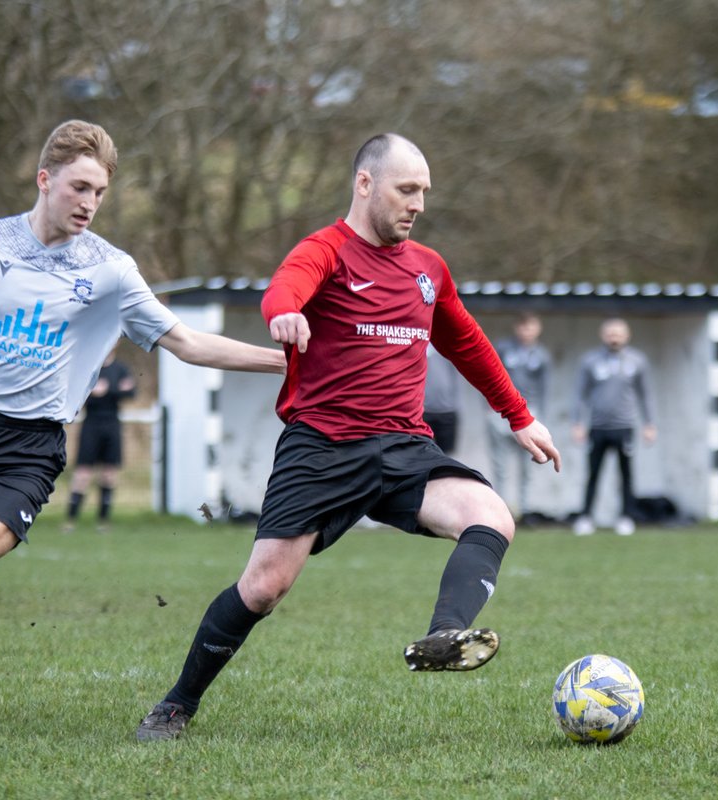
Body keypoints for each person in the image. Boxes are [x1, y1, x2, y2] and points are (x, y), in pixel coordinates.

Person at [0, 120, 287, 738]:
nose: (89, 203)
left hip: (26, 448)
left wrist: (288, 361)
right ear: (45, 180)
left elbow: (188, 342)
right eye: (79, 187)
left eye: (100, 192)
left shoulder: (113, 271)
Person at [135, 132, 561, 741]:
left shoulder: (428, 268)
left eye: (424, 193)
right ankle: (176, 704)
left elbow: (465, 341)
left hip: (403, 445)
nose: (417, 204)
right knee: (263, 587)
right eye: (405, 189)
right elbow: (286, 286)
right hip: (323, 447)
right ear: (365, 184)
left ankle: (443, 635)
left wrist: (519, 416)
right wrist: (284, 312)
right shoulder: (326, 250)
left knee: (491, 515)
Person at [571, 318, 655, 537]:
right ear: (602, 335)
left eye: (618, 333)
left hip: (625, 427)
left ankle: (626, 517)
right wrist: (578, 423)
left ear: (627, 336)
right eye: (610, 333)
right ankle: (586, 517)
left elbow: (645, 395)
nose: (614, 337)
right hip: (597, 427)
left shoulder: (637, 361)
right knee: (593, 473)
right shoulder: (590, 361)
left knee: (626, 475)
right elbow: (580, 395)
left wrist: (649, 423)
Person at [64, 349, 136, 532]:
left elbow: (132, 392)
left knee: (109, 474)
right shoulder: (90, 368)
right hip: (91, 425)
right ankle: (70, 520)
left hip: (112, 425)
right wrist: (115, 389)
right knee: (82, 474)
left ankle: (103, 521)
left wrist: (106, 390)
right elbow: (77, 394)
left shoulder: (121, 369)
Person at [488, 312, 551, 520]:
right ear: (517, 328)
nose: (527, 331)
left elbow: (544, 388)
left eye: (531, 327)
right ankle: (501, 509)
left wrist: (540, 416)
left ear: (538, 330)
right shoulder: (504, 349)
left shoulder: (541, 355)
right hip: (501, 412)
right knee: (500, 465)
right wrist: (490, 408)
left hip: (529, 414)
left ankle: (525, 511)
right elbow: (489, 377)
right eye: (523, 327)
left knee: (528, 466)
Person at [422, 343, 462, 453]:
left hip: (447, 410)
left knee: (446, 456)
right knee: (422, 454)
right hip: (423, 411)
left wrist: (454, 403)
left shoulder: (447, 343)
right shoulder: (418, 341)